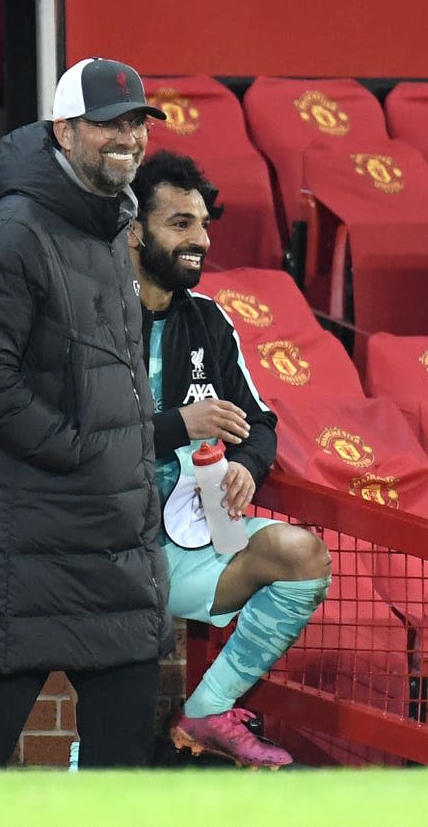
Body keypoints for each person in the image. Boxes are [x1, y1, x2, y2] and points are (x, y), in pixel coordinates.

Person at [0, 57, 174, 769]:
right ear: (65, 130)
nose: (128, 137)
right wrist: (76, 449)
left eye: (136, 123)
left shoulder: (108, 224)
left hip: (109, 541)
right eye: (109, 124)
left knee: (122, 755)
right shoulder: (14, 229)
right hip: (33, 538)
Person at [128, 150, 332, 770]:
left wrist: (246, 464)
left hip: (195, 539)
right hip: (104, 545)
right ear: (136, 231)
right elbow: (77, 435)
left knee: (304, 556)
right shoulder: (95, 318)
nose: (200, 240)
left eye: (204, 225)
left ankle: (208, 709)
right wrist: (177, 426)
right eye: (180, 224)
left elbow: (261, 422)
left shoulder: (209, 321)